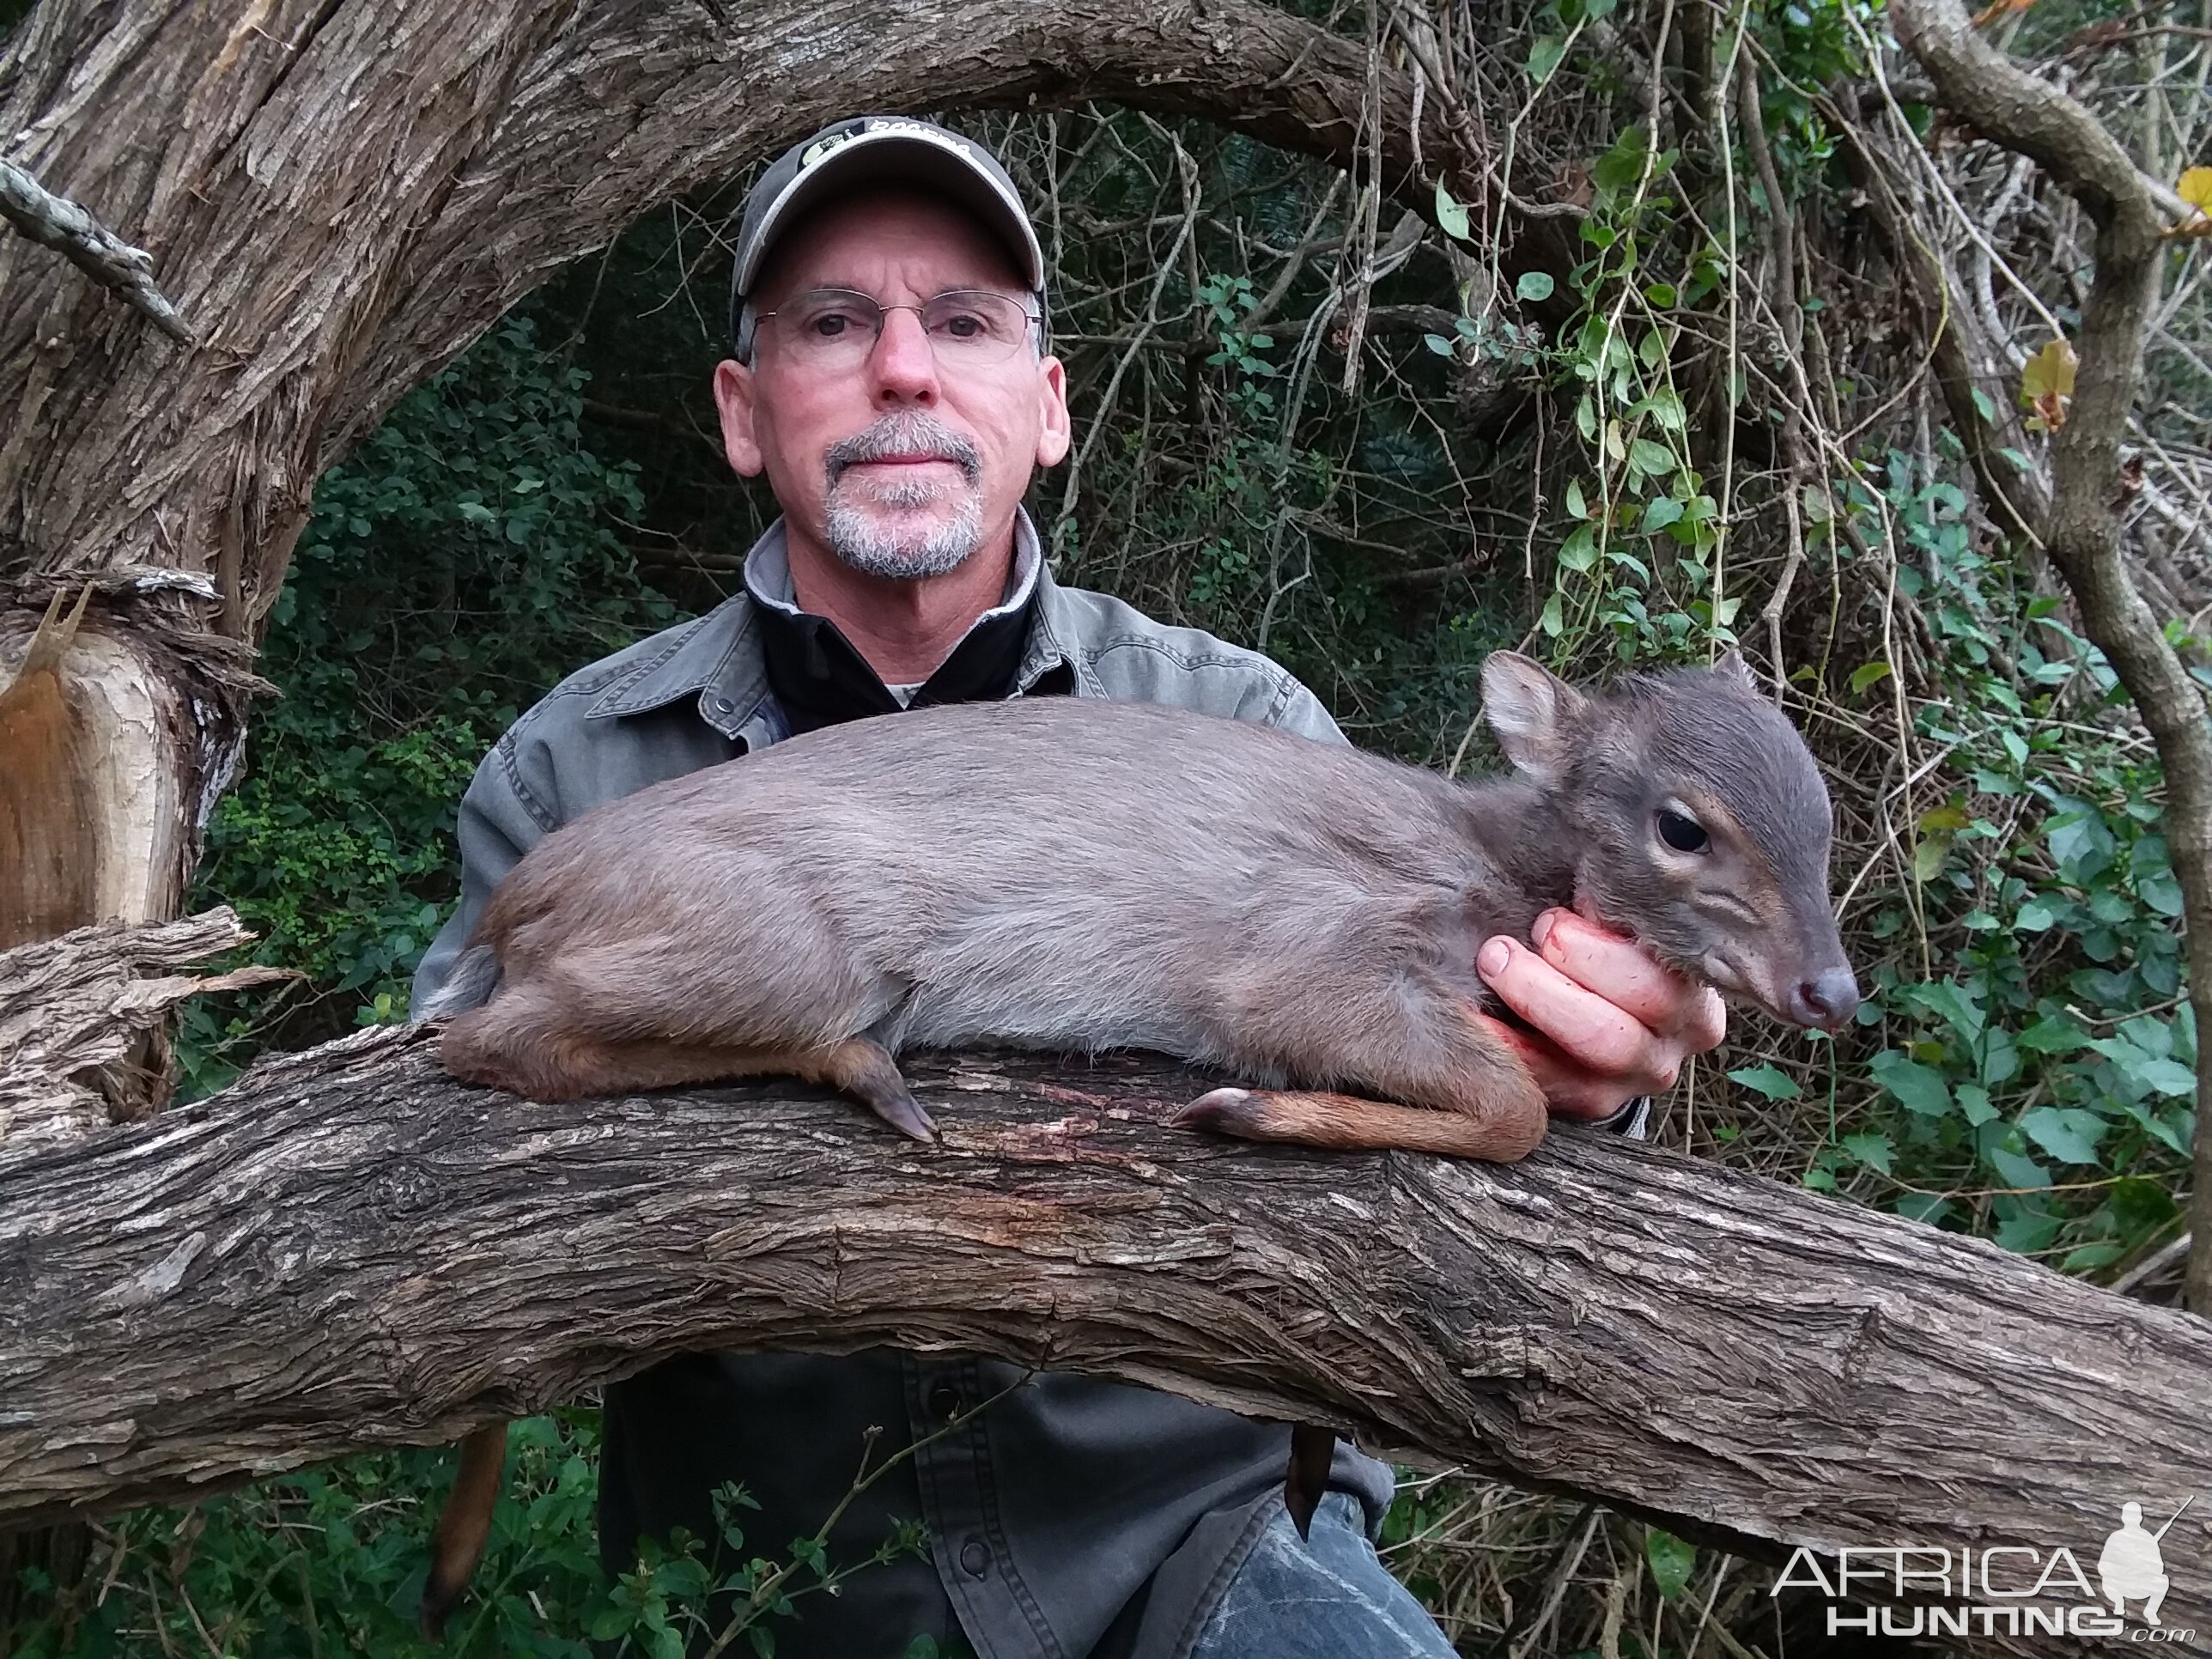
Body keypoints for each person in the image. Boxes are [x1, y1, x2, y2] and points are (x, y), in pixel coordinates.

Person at [412, 115, 1727, 1659]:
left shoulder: (1235, 721)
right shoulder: (578, 764)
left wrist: (1600, 1058)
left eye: (962, 324)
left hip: (1196, 1536)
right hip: (787, 1580)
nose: (903, 368)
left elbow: (1479, 1021)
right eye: (834, 324)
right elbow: (451, 1130)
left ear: (1045, 408)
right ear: (741, 411)